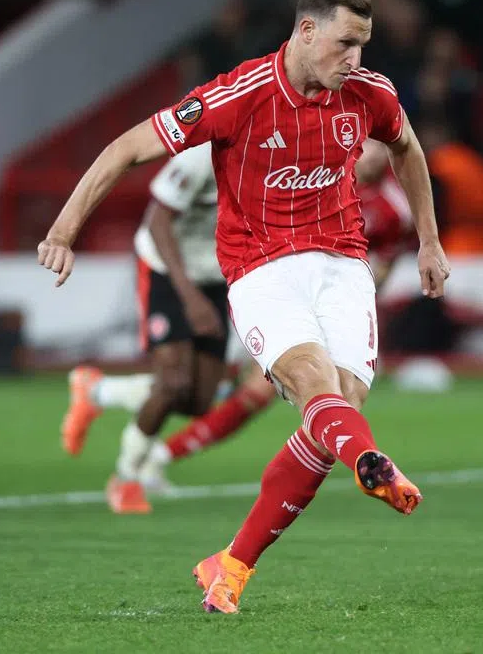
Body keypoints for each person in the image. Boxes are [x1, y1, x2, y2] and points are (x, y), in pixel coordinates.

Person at [37, 0, 449, 614]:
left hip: (343, 262)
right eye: (345, 43)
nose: (355, 59)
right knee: (316, 387)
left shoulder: (370, 93)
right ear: (306, 31)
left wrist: (429, 239)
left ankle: (230, 564)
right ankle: (370, 462)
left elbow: (408, 148)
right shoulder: (239, 94)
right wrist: (64, 230)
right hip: (262, 268)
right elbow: (125, 149)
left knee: (339, 410)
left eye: (362, 46)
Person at [62, 140, 411, 513]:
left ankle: (98, 391)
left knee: (199, 398)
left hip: (224, 273)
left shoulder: (289, 157)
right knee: (177, 382)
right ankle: (128, 476)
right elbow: (157, 221)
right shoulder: (200, 156)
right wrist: (192, 298)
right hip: (166, 268)